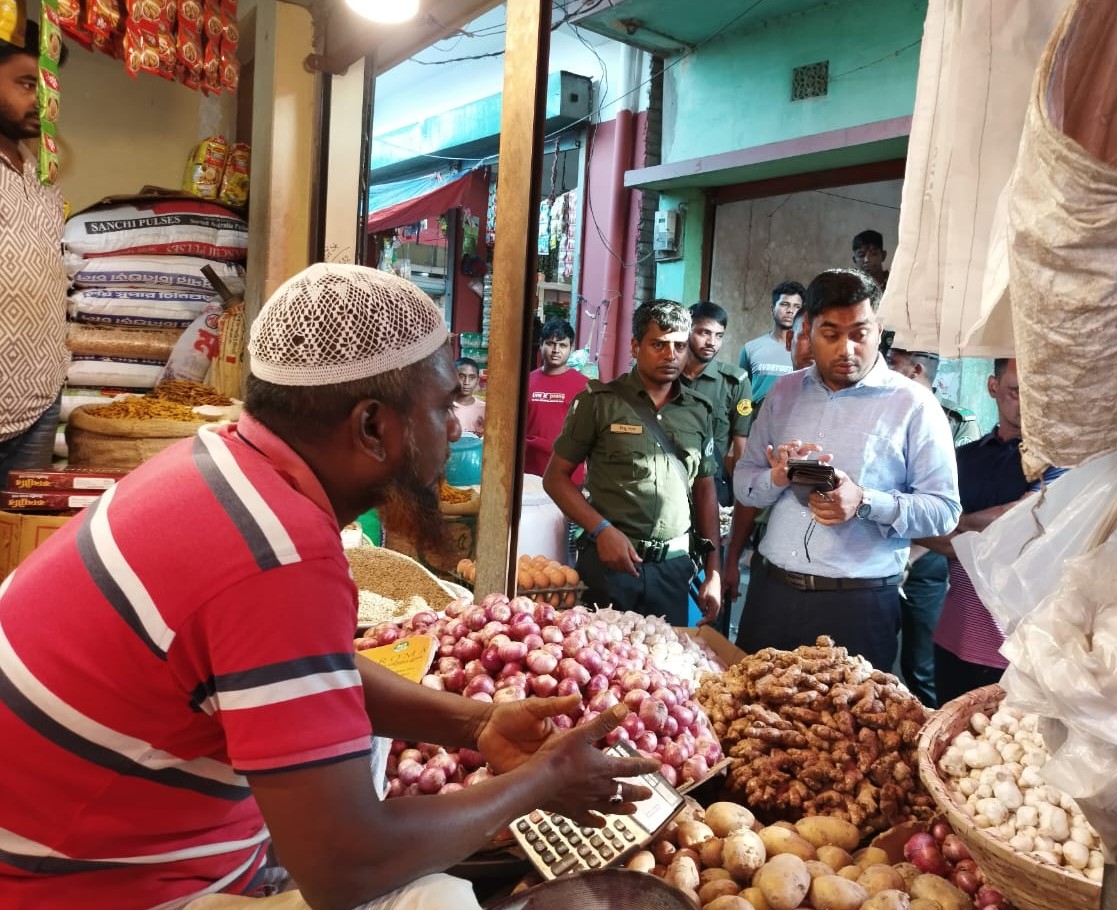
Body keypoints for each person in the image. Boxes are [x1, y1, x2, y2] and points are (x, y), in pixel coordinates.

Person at [0, 264, 658, 910]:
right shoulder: (280, 558)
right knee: (440, 900)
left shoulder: (221, 459)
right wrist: (543, 782)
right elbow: (347, 866)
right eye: (442, 405)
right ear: (372, 427)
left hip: (67, 850)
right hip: (75, 888)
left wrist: (479, 721)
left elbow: (312, 675)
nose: (455, 427)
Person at [733, 269, 960, 670]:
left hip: (857, 605)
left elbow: (943, 511)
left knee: (845, 729)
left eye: (860, 332)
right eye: (831, 334)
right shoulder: (784, 393)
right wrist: (778, 476)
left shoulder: (915, 406)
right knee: (749, 721)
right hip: (772, 595)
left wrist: (865, 501)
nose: (847, 349)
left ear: (880, 329)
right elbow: (744, 485)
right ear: (808, 330)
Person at [544, 299, 722, 628]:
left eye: (680, 346)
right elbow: (555, 479)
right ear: (635, 346)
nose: (671, 355)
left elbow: (705, 489)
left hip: (673, 569)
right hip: (610, 565)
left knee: (666, 666)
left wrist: (714, 569)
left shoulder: (699, 410)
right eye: (659, 344)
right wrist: (601, 530)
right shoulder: (598, 403)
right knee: (603, 668)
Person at [922, 358, 1065, 705]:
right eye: (1016, 391)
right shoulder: (962, 459)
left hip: (1017, 646)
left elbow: (1028, 519)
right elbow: (924, 528)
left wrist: (958, 525)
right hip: (955, 632)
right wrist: (979, 533)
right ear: (993, 388)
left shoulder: (1057, 460)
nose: (1026, 402)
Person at [885, 346, 979, 706]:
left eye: (893, 363)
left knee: (920, 665)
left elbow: (952, 507)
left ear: (916, 369)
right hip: (881, 555)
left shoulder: (955, 422)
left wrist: (911, 555)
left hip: (925, 560)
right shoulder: (884, 413)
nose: (885, 367)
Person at [0, 21, 68, 478]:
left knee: (20, 540)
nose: (43, 101)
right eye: (28, 83)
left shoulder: (41, 173)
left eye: (48, 87)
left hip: (40, 394)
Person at [721, 327, 813, 633]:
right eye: (806, 336)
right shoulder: (774, 399)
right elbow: (747, 487)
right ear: (790, 340)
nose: (815, 346)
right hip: (769, 553)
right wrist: (732, 557)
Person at [680, 300, 752, 507]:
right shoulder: (667, 377)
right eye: (704, 333)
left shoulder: (734, 383)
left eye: (719, 335)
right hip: (668, 481)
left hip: (712, 485)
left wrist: (740, 503)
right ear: (686, 331)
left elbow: (741, 449)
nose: (712, 342)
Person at [525, 318, 588, 482]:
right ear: (541, 345)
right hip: (529, 469)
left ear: (571, 348)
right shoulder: (525, 382)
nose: (555, 350)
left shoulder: (584, 386)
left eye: (562, 345)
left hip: (568, 472)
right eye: (551, 343)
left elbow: (593, 430)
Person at [887, 348, 979, 446]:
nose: (886, 370)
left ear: (916, 370)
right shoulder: (887, 412)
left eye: (892, 363)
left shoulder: (958, 423)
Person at [738, 280, 805, 408]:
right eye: (785, 304)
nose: (790, 311)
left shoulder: (807, 352)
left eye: (797, 307)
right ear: (772, 309)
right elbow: (741, 395)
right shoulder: (751, 349)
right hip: (756, 422)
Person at [451, 356, 485, 436]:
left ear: (477, 380)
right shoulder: (445, 408)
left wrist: (481, 434)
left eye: (472, 377)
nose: (466, 382)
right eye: (461, 377)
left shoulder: (485, 409)